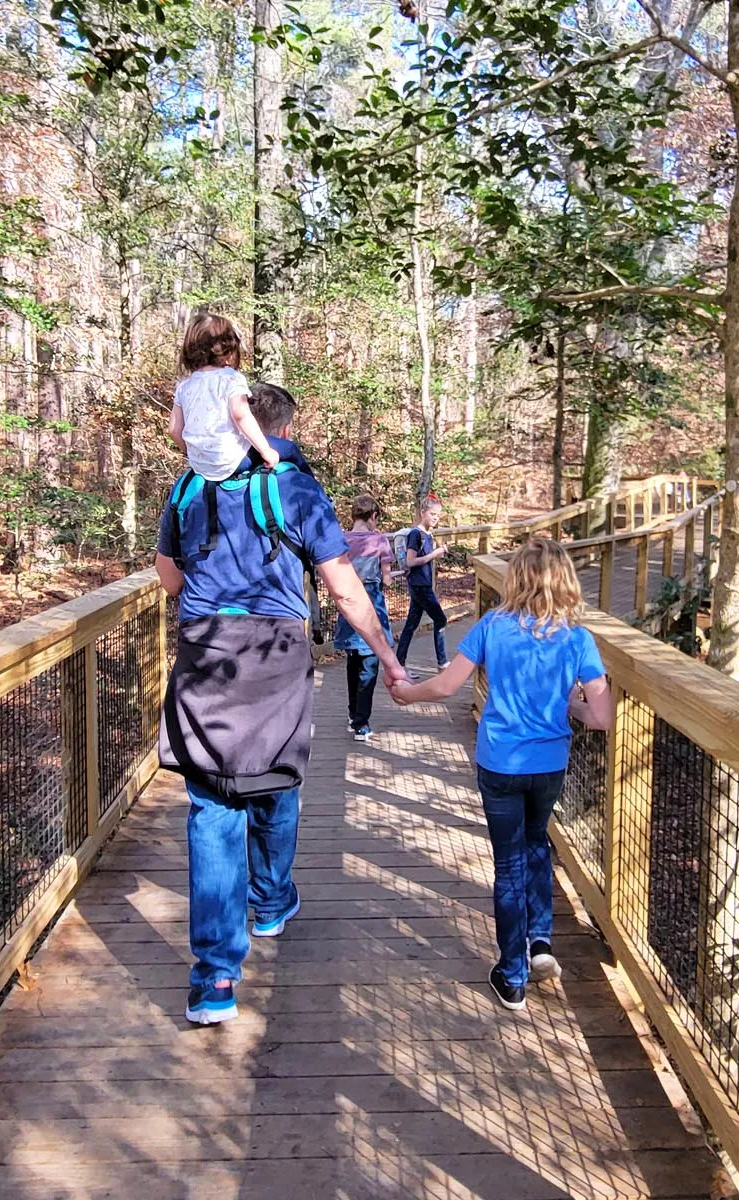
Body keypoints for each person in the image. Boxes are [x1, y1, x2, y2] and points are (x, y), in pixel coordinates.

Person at [157, 382, 407, 1025]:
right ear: (279, 428)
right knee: (277, 781)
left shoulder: (188, 488)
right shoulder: (295, 488)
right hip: (274, 654)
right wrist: (386, 654)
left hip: (205, 649)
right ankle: (269, 903)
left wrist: (209, 599)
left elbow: (167, 572)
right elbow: (346, 590)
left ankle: (215, 980)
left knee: (211, 806)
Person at [388, 537, 613, 1011]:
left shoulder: (493, 626)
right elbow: (601, 717)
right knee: (537, 843)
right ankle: (541, 941)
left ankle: (512, 975)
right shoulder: (577, 638)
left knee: (510, 860)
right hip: (548, 764)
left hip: (499, 762)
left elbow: (448, 685)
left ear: (517, 579)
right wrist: (567, 703)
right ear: (566, 581)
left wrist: (407, 694)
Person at [167, 311, 281, 481]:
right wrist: (265, 450)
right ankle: (319, 499)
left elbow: (174, 430)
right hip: (232, 461)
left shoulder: (184, 386)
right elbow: (240, 415)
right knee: (289, 449)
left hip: (199, 465)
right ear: (228, 349)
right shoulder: (231, 379)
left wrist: (195, 455)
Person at [335, 494, 395, 743]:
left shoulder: (341, 540)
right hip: (372, 603)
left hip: (348, 602)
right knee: (369, 662)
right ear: (374, 516)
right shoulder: (380, 540)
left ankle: (353, 715)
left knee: (353, 660)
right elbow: (388, 579)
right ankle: (362, 723)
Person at [395, 494, 450, 672]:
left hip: (422, 584)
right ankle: (442, 662)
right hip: (419, 585)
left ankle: (399, 663)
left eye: (438, 515)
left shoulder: (428, 535)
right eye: (432, 514)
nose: (435, 518)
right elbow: (411, 561)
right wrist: (436, 553)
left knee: (411, 624)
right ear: (422, 512)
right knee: (440, 619)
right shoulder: (415, 534)